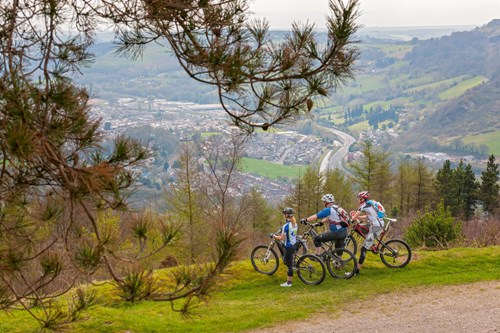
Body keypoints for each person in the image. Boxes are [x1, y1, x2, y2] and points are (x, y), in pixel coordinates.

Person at [350, 191, 384, 276]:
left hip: (376, 227)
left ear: (363, 199)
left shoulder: (364, 205)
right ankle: (371, 243)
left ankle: (356, 271)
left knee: (363, 249)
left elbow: (357, 214)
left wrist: (350, 220)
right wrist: (357, 217)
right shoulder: (368, 206)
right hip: (375, 225)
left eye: (359, 198)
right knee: (362, 227)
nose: (358, 200)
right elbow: (366, 216)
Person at [272, 207, 298, 287]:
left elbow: (281, 238)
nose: (284, 215)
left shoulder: (286, 226)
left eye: (284, 214)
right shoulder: (295, 223)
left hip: (289, 247)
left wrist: (273, 236)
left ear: (287, 215)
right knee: (290, 261)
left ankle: (289, 283)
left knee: (288, 265)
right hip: (294, 244)